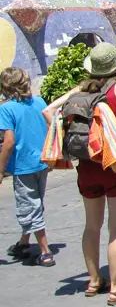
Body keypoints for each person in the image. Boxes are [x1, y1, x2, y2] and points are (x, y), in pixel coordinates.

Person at [43, 43, 116, 306]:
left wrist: (65, 139)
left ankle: (92, 281)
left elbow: (49, 111)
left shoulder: (82, 88)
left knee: (91, 225)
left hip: (87, 167)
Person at [0, 67, 54, 267]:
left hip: (23, 166)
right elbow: (51, 127)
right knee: (35, 203)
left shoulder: (6, 109)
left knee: (29, 205)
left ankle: (45, 251)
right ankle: (24, 243)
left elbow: (9, 142)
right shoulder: (39, 102)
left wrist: (1, 169)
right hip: (41, 162)